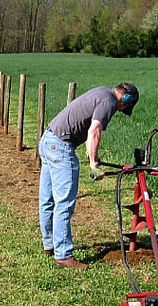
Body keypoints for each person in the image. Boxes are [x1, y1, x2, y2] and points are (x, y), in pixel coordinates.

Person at [38, 83, 140, 269]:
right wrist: (93, 165)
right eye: (125, 107)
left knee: (48, 199)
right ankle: (63, 254)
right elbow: (94, 131)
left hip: (48, 140)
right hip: (61, 146)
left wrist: (93, 154)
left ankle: (49, 245)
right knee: (64, 203)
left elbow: (86, 129)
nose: (121, 110)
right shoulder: (109, 102)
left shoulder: (101, 92)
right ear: (126, 100)